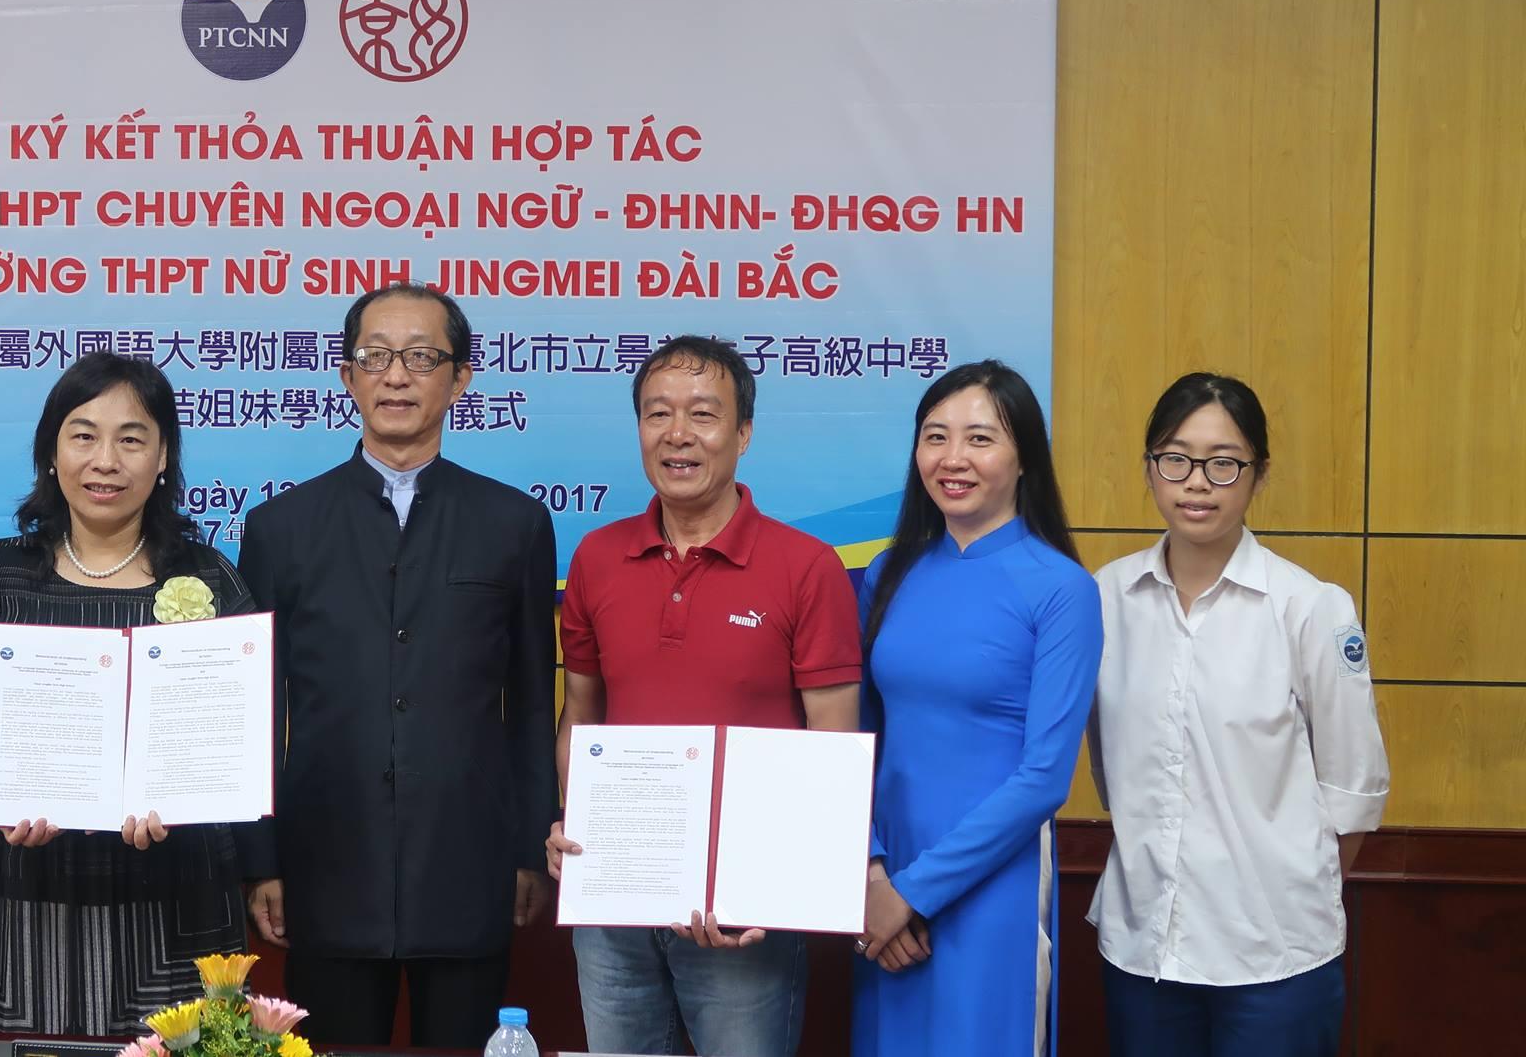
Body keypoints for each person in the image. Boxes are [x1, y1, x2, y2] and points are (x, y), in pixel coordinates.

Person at [236, 282, 558, 1049]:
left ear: (461, 376)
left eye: (421, 357)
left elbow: (533, 700)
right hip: (325, 865)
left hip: (469, 863)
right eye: (374, 357)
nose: (396, 376)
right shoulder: (281, 528)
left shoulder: (512, 522)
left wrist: (526, 850)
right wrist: (261, 859)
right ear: (346, 377)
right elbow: (252, 709)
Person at [544, 336, 863, 1057]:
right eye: (657, 414)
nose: (678, 434)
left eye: (703, 414)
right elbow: (583, 716)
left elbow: (833, 750)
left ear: (743, 433)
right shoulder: (596, 557)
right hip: (614, 901)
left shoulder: (806, 567)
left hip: (743, 915)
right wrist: (571, 820)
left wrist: (771, 887)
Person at [0, 351, 258, 1035]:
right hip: (26, 904)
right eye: (83, 435)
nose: (105, 460)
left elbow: (238, 739)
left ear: (164, 455)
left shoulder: (212, 580)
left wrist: (187, 795)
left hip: (176, 896)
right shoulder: (1, 577)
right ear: (51, 453)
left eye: (132, 437)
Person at [1086, 373, 1388, 1057]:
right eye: (1176, 457)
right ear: (1150, 467)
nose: (1197, 481)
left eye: (1224, 462)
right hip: (1143, 949)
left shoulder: (1309, 607)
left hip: (1275, 957)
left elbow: (1353, 789)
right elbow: (1110, 769)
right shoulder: (1104, 599)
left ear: (1259, 474)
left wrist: (1279, 891)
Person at [852, 360, 1102, 1057]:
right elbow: (860, 736)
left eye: (980, 438)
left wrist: (916, 892)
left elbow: (1044, 778)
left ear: (1024, 457)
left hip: (996, 891)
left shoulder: (1062, 589)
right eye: (935, 436)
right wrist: (873, 874)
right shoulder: (888, 572)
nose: (953, 458)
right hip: (883, 884)